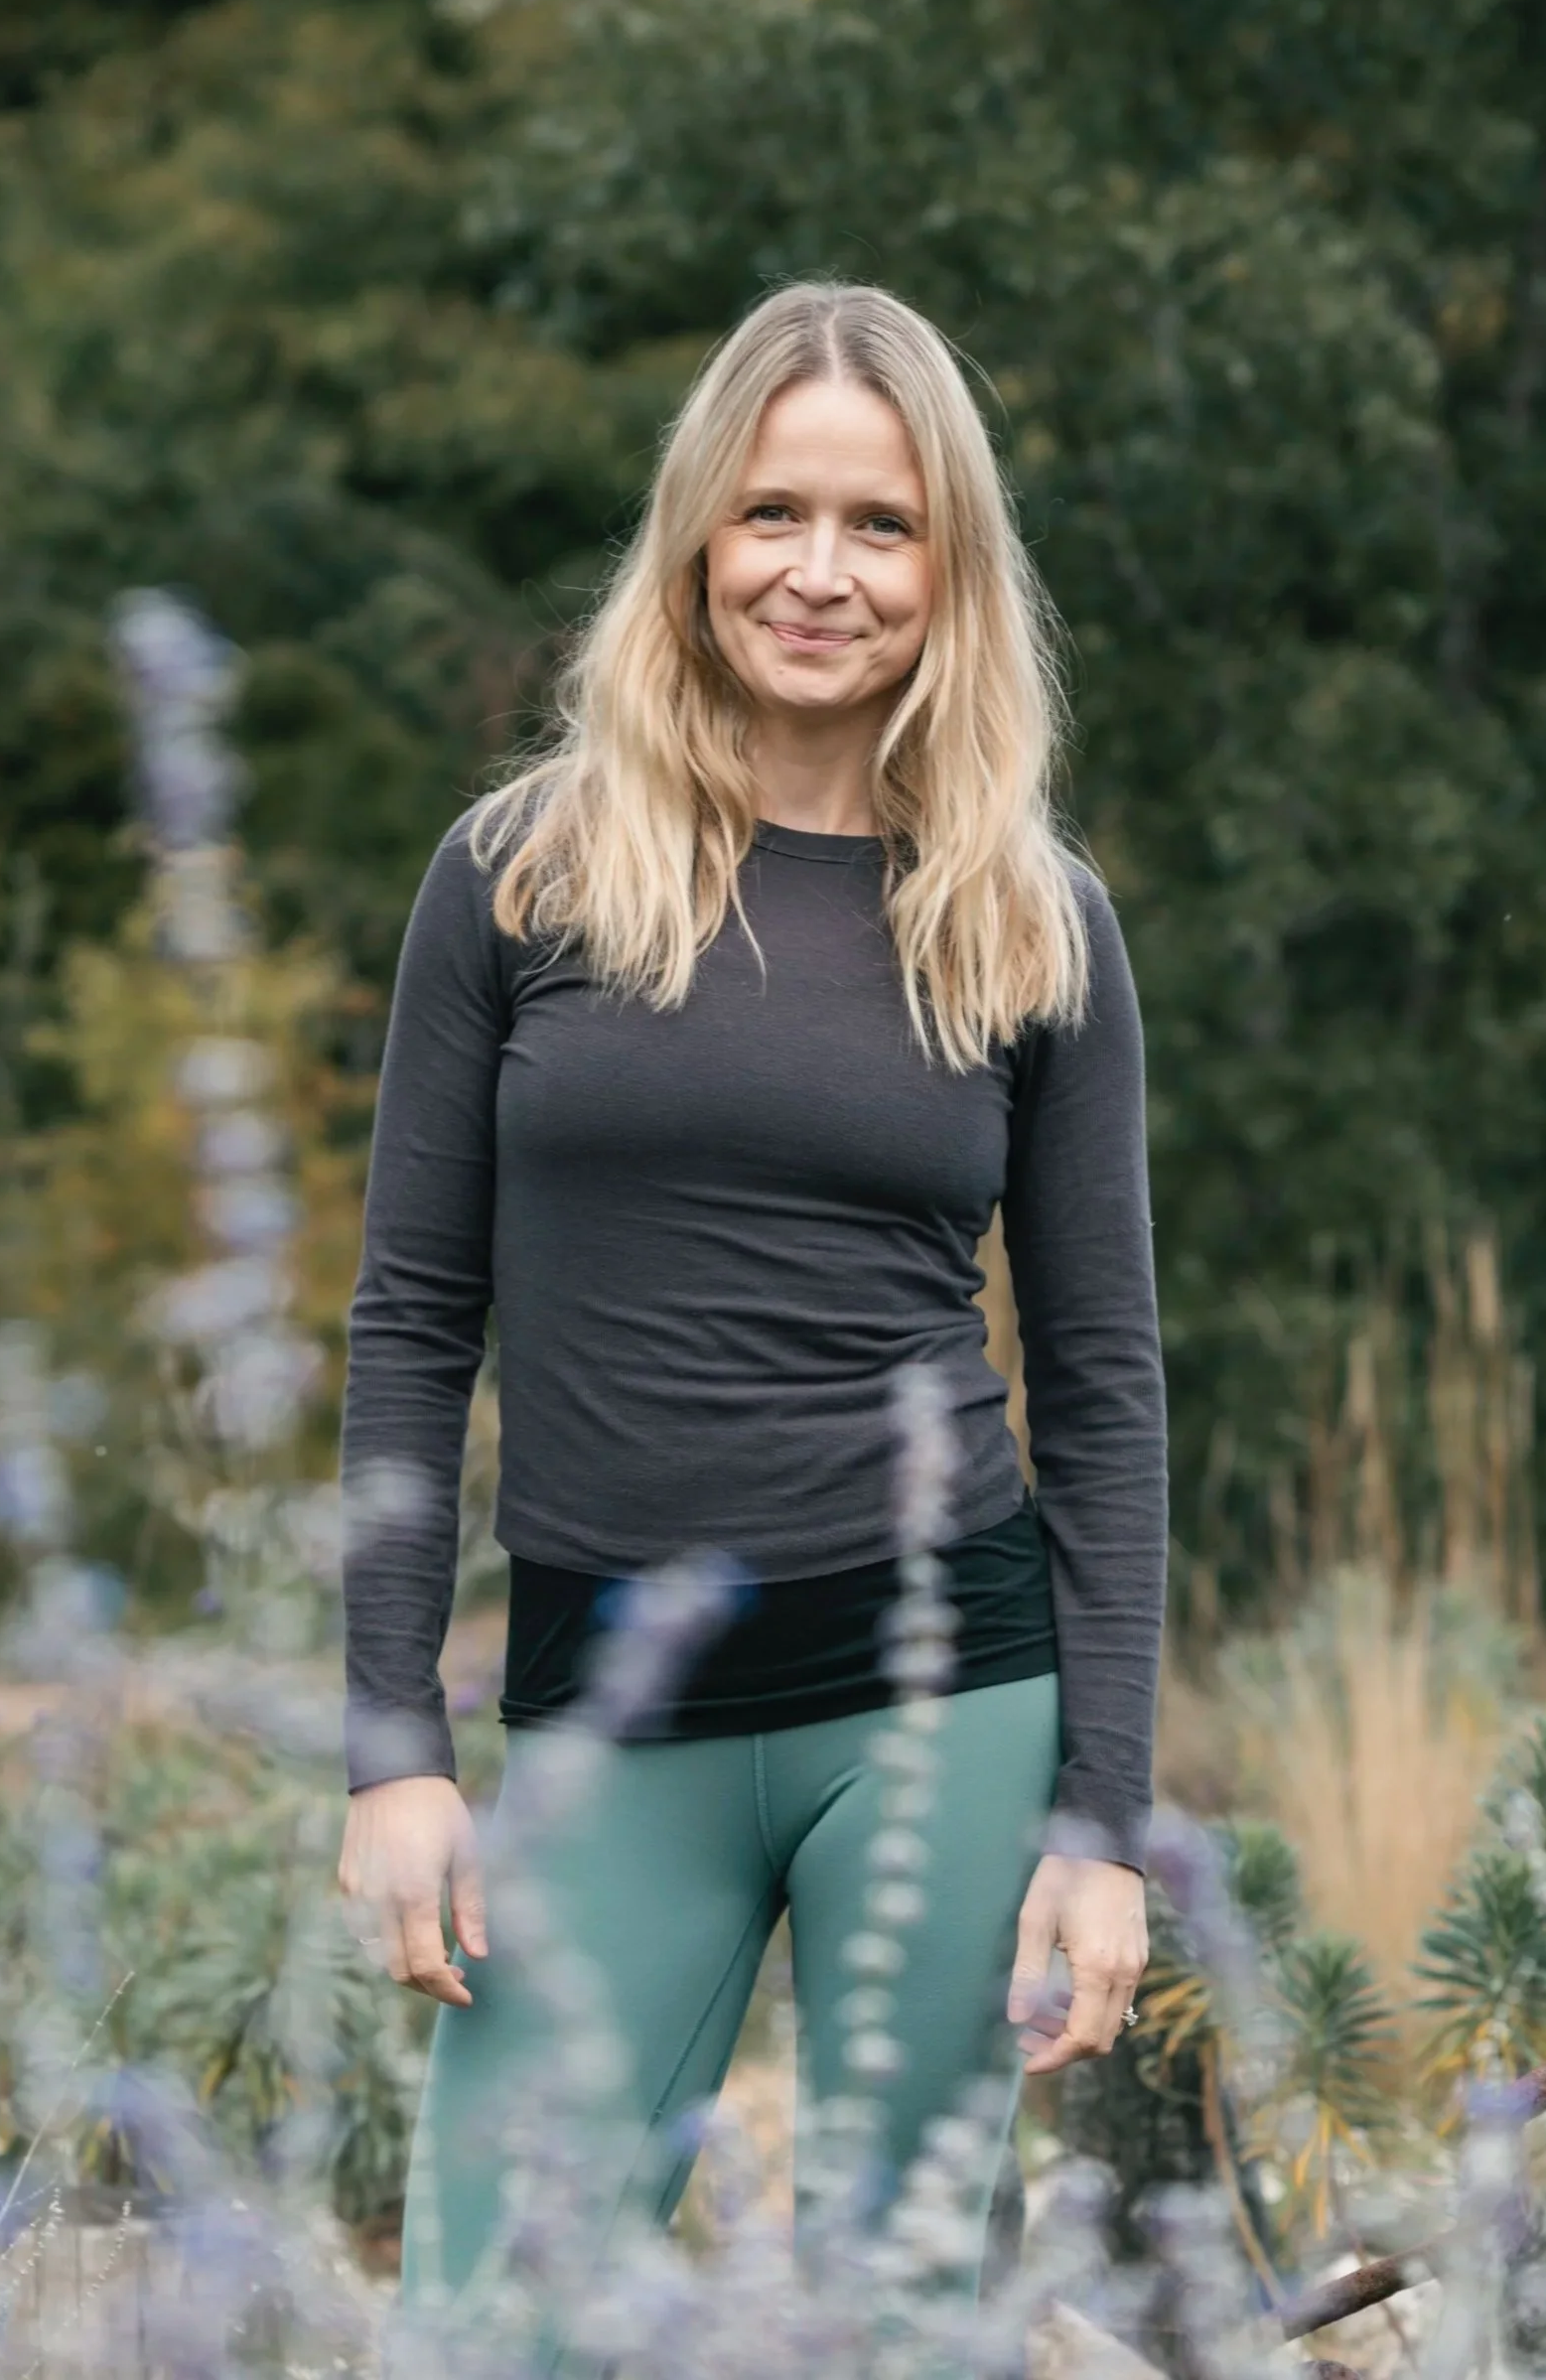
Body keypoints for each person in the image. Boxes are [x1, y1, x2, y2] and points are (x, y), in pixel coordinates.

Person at [335, 280, 1169, 2321]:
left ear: (949, 568)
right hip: (609, 1713)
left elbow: (1103, 1383)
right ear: (696, 537)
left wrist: (1102, 1820)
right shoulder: (519, 877)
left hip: (941, 1704)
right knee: (485, 2323)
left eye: (881, 527)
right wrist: (390, 1747)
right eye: (774, 514)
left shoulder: (1027, 917)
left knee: (904, 2331)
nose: (820, 574)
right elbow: (408, 1324)